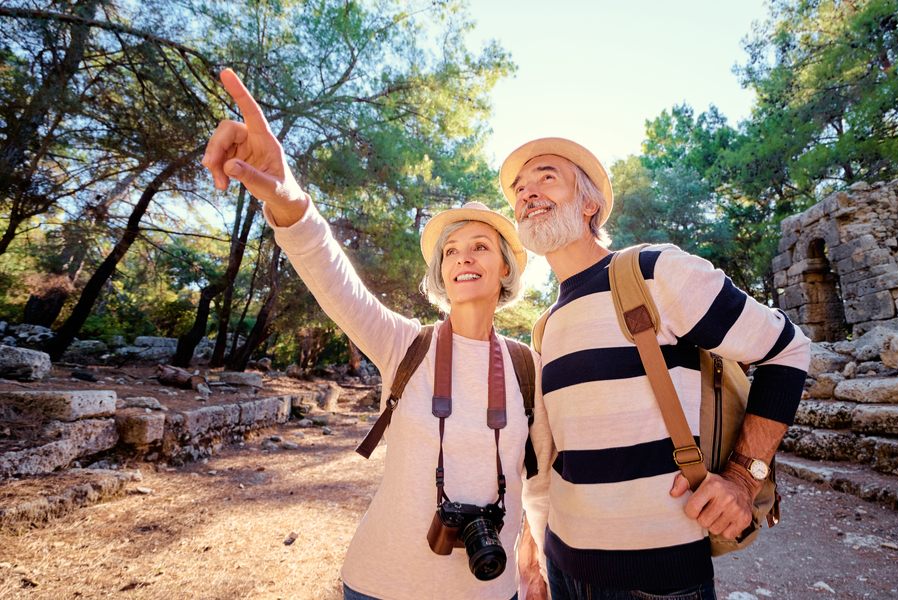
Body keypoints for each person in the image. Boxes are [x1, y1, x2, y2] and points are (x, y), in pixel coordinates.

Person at [201, 68, 551, 600]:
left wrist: (535, 555)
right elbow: (332, 277)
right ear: (441, 273)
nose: (463, 258)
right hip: (380, 583)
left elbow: (541, 482)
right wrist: (289, 195)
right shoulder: (405, 344)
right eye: (451, 251)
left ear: (505, 269)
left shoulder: (529, 367)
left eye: (480, 246)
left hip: (490, 589)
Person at [501, 138, 812, 600]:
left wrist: (746, 478)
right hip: (562, 565)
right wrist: (534, 550)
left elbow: (787, 349)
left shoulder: (653, 272)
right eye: (519, 190)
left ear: (591, 204)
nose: (527, 194)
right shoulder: (545, 326)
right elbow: (550, 462)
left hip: (657, 578)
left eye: (546, 177)